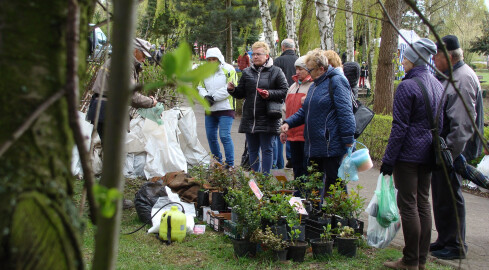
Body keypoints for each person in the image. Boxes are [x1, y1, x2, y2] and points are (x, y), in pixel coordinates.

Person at [380, 39, 443, 270]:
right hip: (428, 153)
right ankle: (421, 260)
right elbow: (440, 123)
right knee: (423, 204)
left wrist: (388, 160)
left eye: (405, 57)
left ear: (415, 58)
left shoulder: (407, 86)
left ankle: (410, 260)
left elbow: (399, 128)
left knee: (408, 204)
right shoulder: (437, 84)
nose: (402, 61)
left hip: (407, 156)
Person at [430, 34, 484, 260]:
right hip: (448, 148)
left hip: (453, 151)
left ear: (449, 56)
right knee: (442, 195)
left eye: (436, 56)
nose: (433, 59)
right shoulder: (452, 75)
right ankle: (445, 239)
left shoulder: (462, 79)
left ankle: (456, 245)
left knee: (451, 195)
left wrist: (449, 154)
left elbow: (461, 125)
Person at [281, 48, 355, 195]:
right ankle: (317, 214)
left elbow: (345, 112)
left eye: (311, 69)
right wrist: (288, 122)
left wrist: (348, 139)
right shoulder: (316, 85)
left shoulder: (337, 81)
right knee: (314, 184)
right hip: (315, 145)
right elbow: (305, 110)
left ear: (321, 69)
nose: (308, 73)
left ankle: (340, 215)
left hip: (330, 144)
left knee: (334, 184)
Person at [227, 41, 288, 174]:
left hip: (268, 117)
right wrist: (232, 90)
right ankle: (255, 177)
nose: (255, 57)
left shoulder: (276, 71)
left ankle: (265, 178)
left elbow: (284, 90)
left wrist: (270, 93)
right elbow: (241, 93)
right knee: (252, 150)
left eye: (258, 54)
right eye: (253, 54)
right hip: (250, 118)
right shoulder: (247, 72)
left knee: (267, 149)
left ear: (266, 56)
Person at [87, 37, 158, 143]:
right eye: (143, 56)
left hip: (102, 109)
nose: (144, 60)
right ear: (135, 51)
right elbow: (130, 96)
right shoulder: (125, 64)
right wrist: (151, 102)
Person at [197, 47, 238, 168]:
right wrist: (205, 96)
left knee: (224, 136)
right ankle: (217, 162)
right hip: (210, 109)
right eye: (209, 59)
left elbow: (230, 87)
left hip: (226, 107)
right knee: (211, 136)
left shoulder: (229, 69)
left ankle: (230, 164)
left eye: (214, 59)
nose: (211, 62)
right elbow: (200, 86)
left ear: (219, 59)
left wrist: (212, 98)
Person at [279, 56, 313, 186]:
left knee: (306, 168)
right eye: (296, 69)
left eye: (301, 69)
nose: (297, 72)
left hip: (305, 135)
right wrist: (283, 129)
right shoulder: (293, 86)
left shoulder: (312, 86)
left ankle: (307, 197)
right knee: (297, 168)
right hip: (292, 134)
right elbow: (285, 109)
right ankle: (298, 196)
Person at [274, 39, 299, 169]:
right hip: (298, 96)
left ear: (283, 48)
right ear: (294, 48)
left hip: (281, 98)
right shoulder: (300, 61)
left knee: (284, 126)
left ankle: (281, 159)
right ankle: (291, 156)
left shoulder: (277, 61)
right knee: (294, 125)